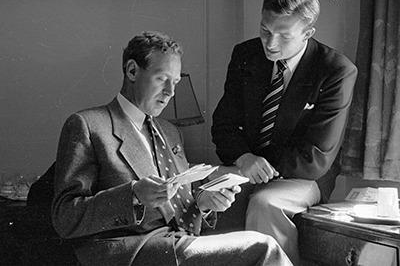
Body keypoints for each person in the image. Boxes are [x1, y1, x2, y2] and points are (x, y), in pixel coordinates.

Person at [51, 31, 292, 266]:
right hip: (130, 251)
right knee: (262, 247)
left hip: (175, 246)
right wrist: (133, 195)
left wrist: (203, 203)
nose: (170, 92)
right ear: (132, 70)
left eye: (175, 82)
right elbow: (65, 218)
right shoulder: (89, 125)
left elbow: (178, 210)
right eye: (161, 79)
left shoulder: (169, 131)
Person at [211, 0, 357, 264]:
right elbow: (223, 125)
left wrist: (257, 164)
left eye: (283, 35)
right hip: (246, 166)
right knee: (197, 196)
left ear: (308, 33)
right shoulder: (245, 55)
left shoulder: (336, 70)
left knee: (265, 204)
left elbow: (316, 157)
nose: (270, 43)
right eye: (265, 30)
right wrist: (244, 158)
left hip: (304, 177)